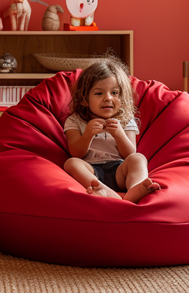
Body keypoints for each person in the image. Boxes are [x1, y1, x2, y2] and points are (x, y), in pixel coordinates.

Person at [63, 57, 159, 203]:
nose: (108, 98)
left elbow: (129, 153)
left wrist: (119, 134)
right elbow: (75, 152)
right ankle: (100, 188)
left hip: (119, 171)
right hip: (92, 171)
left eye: (114, 93)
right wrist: (88, 134)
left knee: (138, 158)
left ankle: (135, 188)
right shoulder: (75, 120)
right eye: (99, 93)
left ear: (122, 97)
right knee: (71, 163)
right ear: (84, 99)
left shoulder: (126, 120)